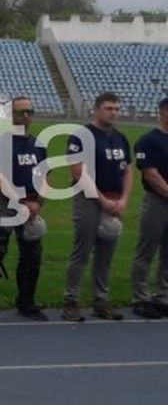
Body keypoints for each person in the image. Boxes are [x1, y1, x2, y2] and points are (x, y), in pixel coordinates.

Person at [0, 97, 49, 321]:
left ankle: (26, 302)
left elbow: (46, 175)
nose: (25, 116)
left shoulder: (39, 144)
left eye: (29, 112)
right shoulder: (1, 143)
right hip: (7, 204)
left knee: (32, 255)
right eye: (20, 112)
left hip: (32, 205)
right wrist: (20, 202)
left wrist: (38, 203)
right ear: (12, 116)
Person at [62, 92, 132, 321]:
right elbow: (78, 172)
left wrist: (123, 200)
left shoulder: (121, 138)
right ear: (97, 109)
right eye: (109, 108)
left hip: (114, 200)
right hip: (89, 200)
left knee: (106, 254)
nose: (114, 112)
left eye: (117, 109)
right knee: (82, 251)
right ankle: (71, 301)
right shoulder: (81, 135)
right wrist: (103, 201)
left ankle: (101, 300)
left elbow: (128, 171)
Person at [129, 97, 168, 319]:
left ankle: (163, 295)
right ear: (163, 112)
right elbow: (151, 174)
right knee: (146, 251)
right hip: (156, 202)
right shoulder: (148, 141)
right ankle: (140, 297)